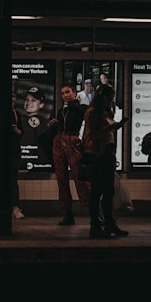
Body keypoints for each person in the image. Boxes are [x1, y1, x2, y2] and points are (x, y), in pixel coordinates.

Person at [82, 83, 128, 239]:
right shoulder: (93, 112)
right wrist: (111, 128)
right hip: (97, 157)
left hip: (108, 155)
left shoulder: (106, 111)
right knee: (97, 193)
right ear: (102, 97)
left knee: (109, 192)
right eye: (108, 98)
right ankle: (96, 225)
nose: (110, 101)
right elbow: (92, 134)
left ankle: (109, 223)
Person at [47, 83, 91, 225]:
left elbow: (84, 117)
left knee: (80, 177)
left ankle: (92, 210)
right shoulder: (61, 111)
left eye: (67, 92)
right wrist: (54, 124)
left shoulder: (81, 108)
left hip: (72, 141)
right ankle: (67, 212)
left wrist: (75, 104)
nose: (65, 95)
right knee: (61, 178)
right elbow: (61, 126)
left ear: (74, 92)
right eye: (62, 93)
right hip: (60, 141)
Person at [18, 86, 50, 154]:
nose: (29, 103)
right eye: (27, 99)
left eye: (33, 100)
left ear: (41, 104)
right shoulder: (20, 121)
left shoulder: (45, 123)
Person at [8, 92, 24, 219]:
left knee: (13, 180)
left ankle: (15, 207)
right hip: (5, 151)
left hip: (14, 151)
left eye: (14, 99)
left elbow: (21, 132)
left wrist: (15, 129)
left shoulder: (16, 114)